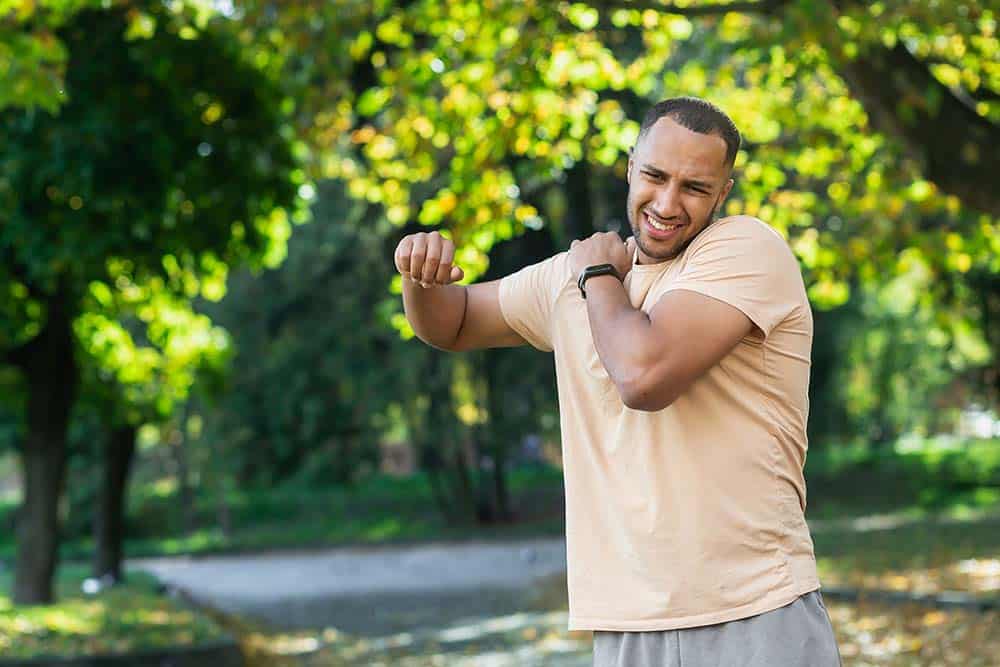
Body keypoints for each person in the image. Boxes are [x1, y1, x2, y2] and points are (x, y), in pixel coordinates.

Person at [394, 96, 841, 666]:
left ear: (723, 194)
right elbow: (452, 323)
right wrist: (420, 276)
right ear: (630, 166)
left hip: (756, 611)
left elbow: (643, 375)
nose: (668, 202)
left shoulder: (745, 250)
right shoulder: (570, 277)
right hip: (629, 624)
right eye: (654, 176)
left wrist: (598, 276)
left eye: (695, 187)